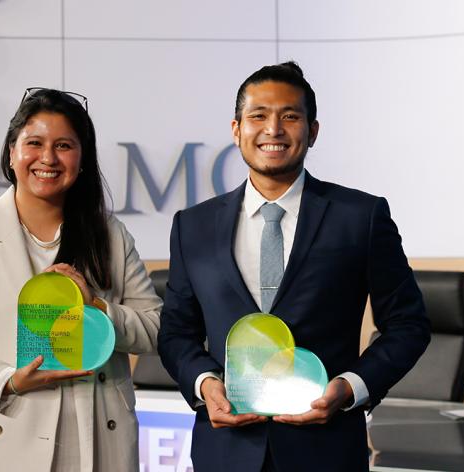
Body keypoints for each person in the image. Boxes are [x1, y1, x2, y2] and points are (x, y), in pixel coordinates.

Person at [157, 62, 430, 471]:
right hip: (225, 451)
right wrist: (204, 383)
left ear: (313, 131)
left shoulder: (361, 216)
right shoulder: (192, 226)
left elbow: (409, 324)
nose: (273, 129)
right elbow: (177, 333)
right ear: (236, 129)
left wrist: (350, 387)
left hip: (326, 449)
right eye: (258, 116)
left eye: (290, 116)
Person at [0, 88, 162, 471]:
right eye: (34, 143)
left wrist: (96, 307)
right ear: (11, 153)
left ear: (82, 159)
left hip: (97, 433)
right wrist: (8, 380)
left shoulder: (110, 235)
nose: (48, 158)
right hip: (4, 430)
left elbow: (155, 329)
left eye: (64, 145)